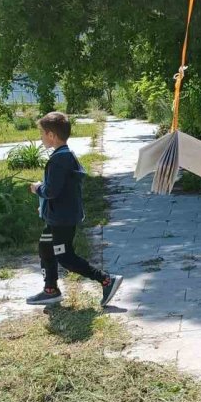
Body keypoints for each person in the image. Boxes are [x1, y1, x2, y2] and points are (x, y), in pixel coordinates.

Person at [26, 112, 122, 307]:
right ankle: (50, 290)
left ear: (51, 135)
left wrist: (37, 188)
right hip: (58, 217)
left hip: (61, 220)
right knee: (45, 246)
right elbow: (62, 190)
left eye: (42, 133)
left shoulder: (58, 161)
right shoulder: (65, 155)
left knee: (65, 257)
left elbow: (51, 191)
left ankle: (106, 280)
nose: (41, 137)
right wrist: (45, 206)